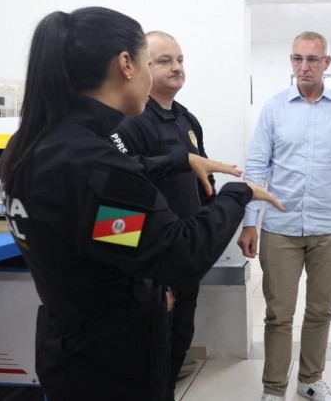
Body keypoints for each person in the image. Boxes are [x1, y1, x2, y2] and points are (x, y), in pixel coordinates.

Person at [0, 6, 284, 401]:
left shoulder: (27, 147)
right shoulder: (94, 166)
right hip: (113, 361)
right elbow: (179, 253)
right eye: (153, 62)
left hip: (67, 343)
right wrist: (241, 193)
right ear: (126, 64)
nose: (160, 72)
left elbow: (111, 240)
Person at [239, 31, 331, 401]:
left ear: (327, 62)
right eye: (297, 58)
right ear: (291, 62)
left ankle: (310, 378)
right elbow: (256, 167)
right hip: (280, 228)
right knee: (278, 314)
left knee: (320, 310)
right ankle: (273, 389)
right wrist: (251, 221)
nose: (304, 66)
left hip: (329, 226)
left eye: (312, 59)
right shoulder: (274, 108)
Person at [111, 30, 217, 398]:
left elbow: (203, 178)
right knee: (149, 358)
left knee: (178, 342)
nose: (177, 67)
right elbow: (123, 196)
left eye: (180, 60)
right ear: (140, 66)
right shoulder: (131, 121)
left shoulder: (187, 120)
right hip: (153, 264)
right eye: (164, 61)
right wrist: (151, 280)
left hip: (185, 255)